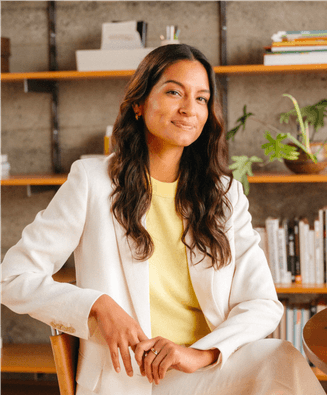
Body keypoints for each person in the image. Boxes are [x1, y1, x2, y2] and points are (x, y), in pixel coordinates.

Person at [1, 44, 325, 395]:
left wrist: (199, 353)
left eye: (201, 99)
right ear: (139, 104)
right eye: (174, 92)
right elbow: (13, 277)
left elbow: (261, 302)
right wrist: (98, 306)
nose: (189, 109)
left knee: (281, 356)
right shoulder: (92, 181)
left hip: (203, 371)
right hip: (128, 379)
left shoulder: (223, 194)